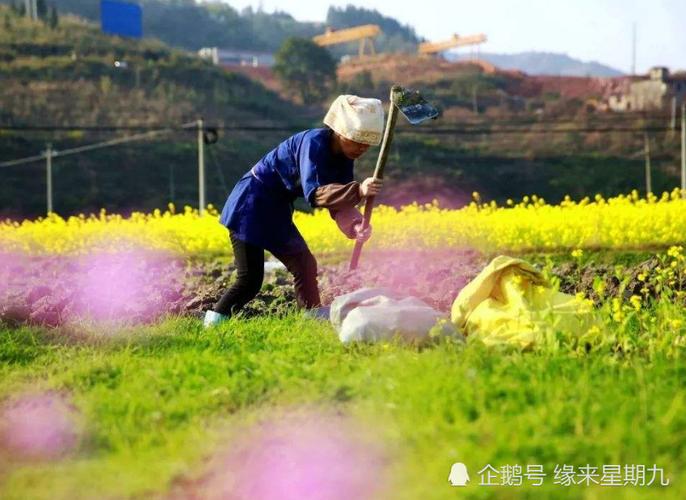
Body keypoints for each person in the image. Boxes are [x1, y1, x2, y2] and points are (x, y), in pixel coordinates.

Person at [204, 95, 385, 327]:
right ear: (339, 132)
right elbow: (318, 193)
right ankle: (213, 324)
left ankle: (310, 316)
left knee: (303, 263)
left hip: (276, 207)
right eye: (356, 140)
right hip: (251, 202)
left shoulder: (344, 157)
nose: (362, 148)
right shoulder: (314, 144)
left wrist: (355, 225)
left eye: (367, 143)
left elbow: (339, 200)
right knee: (249, 279)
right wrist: (359, 190)